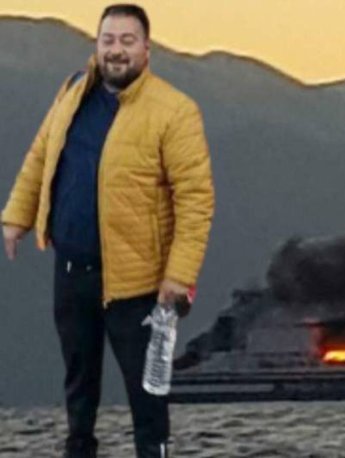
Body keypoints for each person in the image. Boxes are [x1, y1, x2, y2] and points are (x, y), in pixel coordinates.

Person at [1, 4, 214, 457]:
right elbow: (42, 154)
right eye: (108, 40)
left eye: (127, 41)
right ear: (97, 45)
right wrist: (17, 216)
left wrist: (179, 276)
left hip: (142, 286)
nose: (116, 50)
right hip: (72, 271)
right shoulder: (73, 90)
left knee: (148, 394)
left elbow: (196, 200)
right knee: (78, 386)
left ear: (147, 49)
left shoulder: (176, 111)